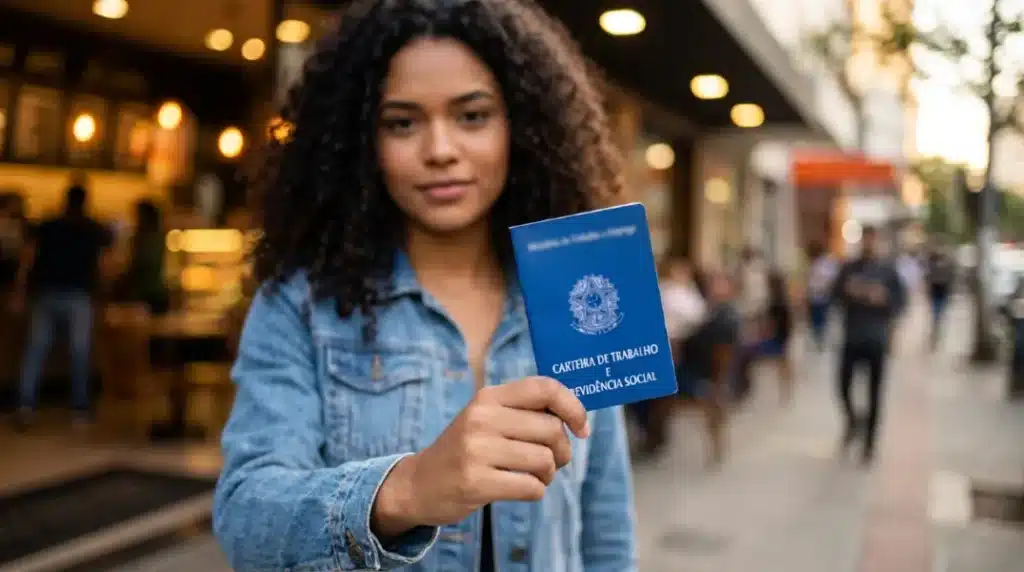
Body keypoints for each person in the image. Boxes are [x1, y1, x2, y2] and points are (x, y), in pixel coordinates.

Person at [213, 1, 635, 571]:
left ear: (524, 127)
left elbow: (605, 523)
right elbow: (244, 519)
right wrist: (407, 488)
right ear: (362, 141)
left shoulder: (581, 286)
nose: (440, 150)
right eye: (402, 123)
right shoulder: (302, 304)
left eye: (473, 116)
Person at [10, 183, 113, 428]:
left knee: (36, 350)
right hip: (79, 296)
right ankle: (79, 409)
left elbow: (28, 257)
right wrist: (104, 295)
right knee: (80, 353)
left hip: (46, 293)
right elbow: (104, 265)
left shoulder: (48, 226)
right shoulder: (92, 229)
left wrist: (19, 290)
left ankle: (25, 405)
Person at [831, 225, 906, 464]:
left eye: (873, 240)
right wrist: (851, 291)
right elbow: (834, 295)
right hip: (852, 336)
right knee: (842, 385)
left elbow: (900, 302)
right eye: (866, 239)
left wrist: (882, 298)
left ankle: (869, 445)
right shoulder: (849, 268)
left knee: (875, 393)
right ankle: (853, 420)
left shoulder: (888, 270)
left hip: (876, 338)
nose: (869, 244)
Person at [630, 257, 705, 456]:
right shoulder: (666, 292)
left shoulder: (685, 296)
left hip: (678, 362)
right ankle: (652, 432)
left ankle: (654, 433)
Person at [679, 268, 739, 466]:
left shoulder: (721, 317)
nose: (715, 287)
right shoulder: (720, 312)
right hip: (712, 376)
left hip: (701, 377)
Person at [113, 199, 169, 315]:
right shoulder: (157, 237)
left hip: (147, 296)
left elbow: (142, 264)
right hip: (153, 295)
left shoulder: (147, 239)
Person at [760, 271, 794, 404]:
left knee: (782, 363)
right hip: (783, 334)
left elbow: (772, 322)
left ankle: (785, 389)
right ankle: (786, 389)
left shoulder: (776, 302)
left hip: (779, 335)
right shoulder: (782, 300)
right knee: (784, 362)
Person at [805, 241, 838, 350]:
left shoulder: (827, 262)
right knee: (816, 321)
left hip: (824, 297)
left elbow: (832, 279)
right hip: (813, 297)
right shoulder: (812, 263)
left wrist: (825, 288)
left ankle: (822, 339)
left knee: (823, 320)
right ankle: (818, 339)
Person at [925, 242, 956, 349]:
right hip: (935, 294)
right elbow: (929, 279)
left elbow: (950, 280)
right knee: (936, 314)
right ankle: (935, 332)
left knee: (940, 314)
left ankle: (937, 332)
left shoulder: (947, 266)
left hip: (943, 294)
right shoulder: (932, 265)